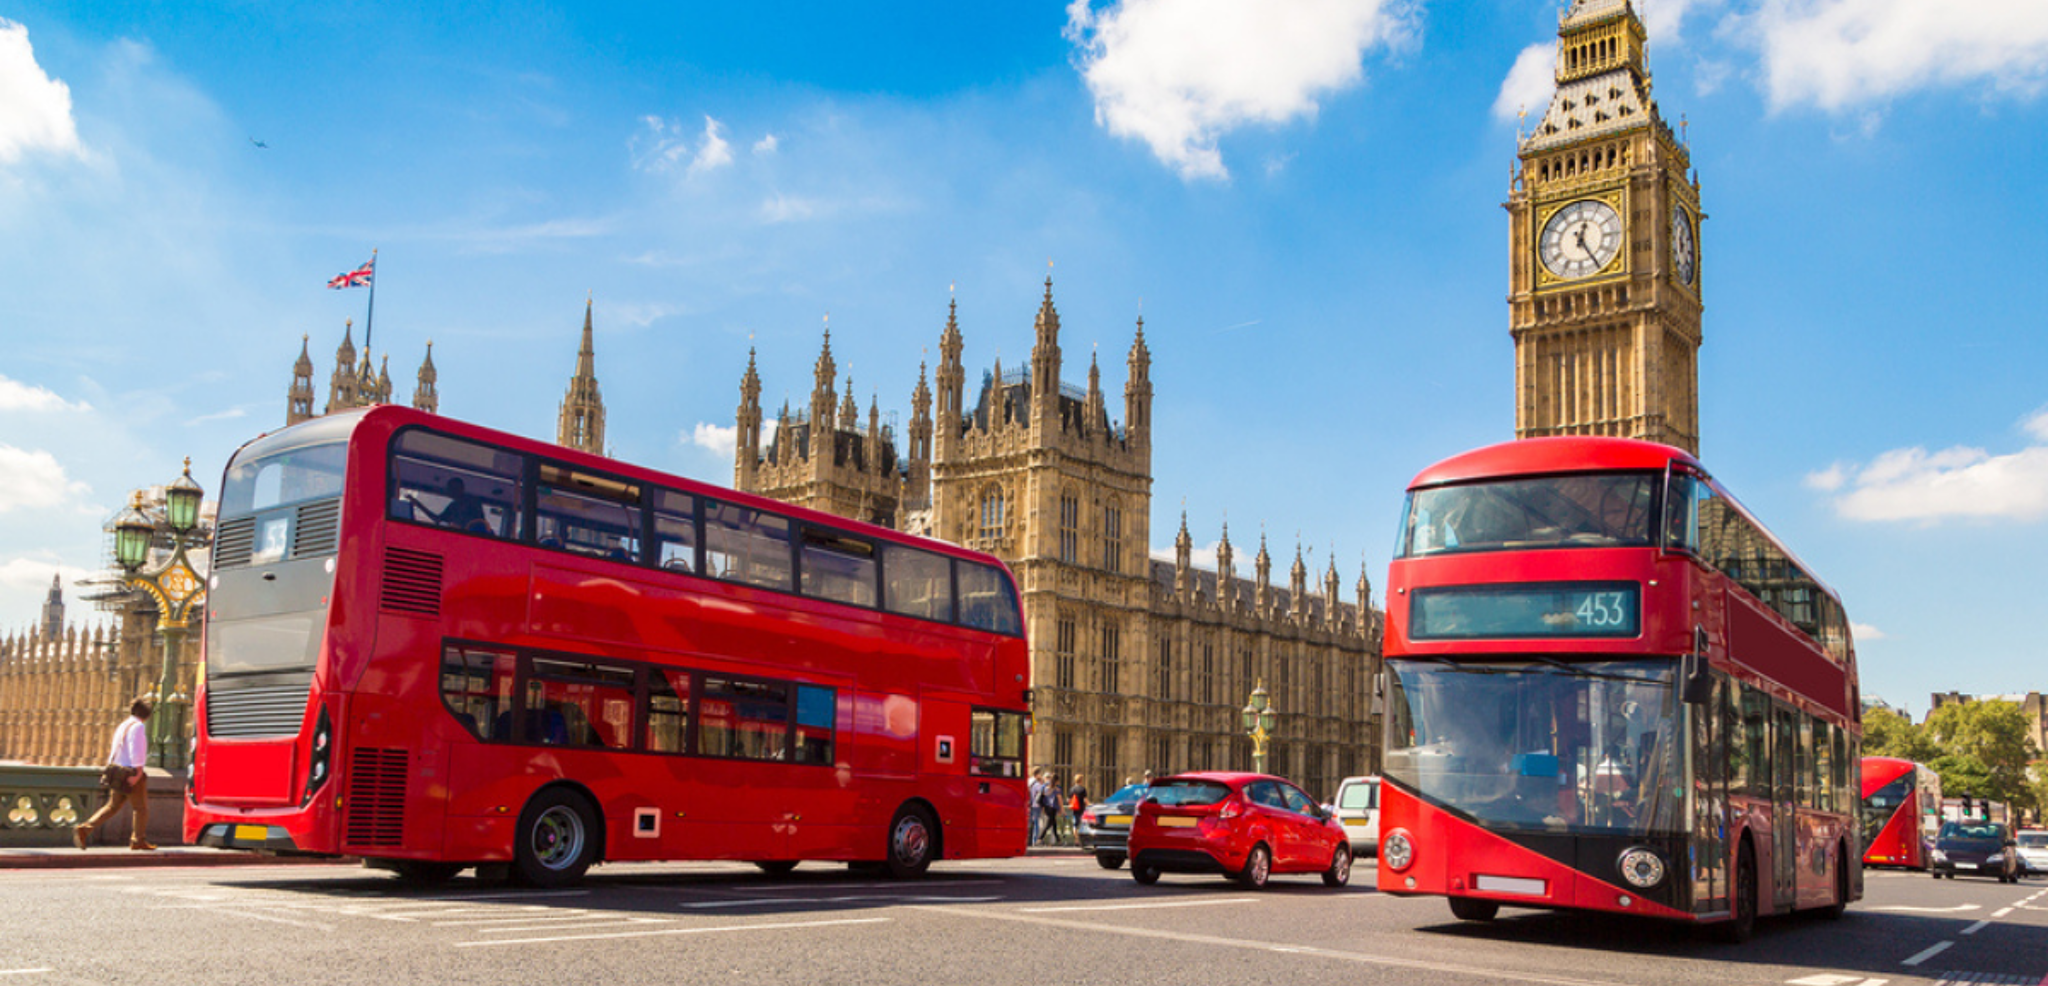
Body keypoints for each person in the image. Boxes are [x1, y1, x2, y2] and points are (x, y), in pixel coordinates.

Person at [75, 699, 155, 851]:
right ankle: (138, 840)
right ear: (147, 716)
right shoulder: (138, 726)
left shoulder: (124, 725)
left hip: (118, 771)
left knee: (112, 806)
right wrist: (138, 773)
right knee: (140, 808)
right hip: (130, 772)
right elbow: (136, 750)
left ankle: (85, 828)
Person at [409, 476, 488, 533]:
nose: (452, 491)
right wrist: (418, 504)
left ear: (462, 489)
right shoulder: (453, 507)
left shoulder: (473, 502)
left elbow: (479, 522)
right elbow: (438, 520)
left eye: (455, 488)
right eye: (450, 489)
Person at [1027, 770, 1046, 846]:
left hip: (1030, 804)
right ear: (1037, 774)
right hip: (1036, 805)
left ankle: (1027, 840)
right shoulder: (1038, 785)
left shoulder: (1029, 781)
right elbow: (1043, 794)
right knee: (1036, 824)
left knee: (1029, 823)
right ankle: (1035, 840)